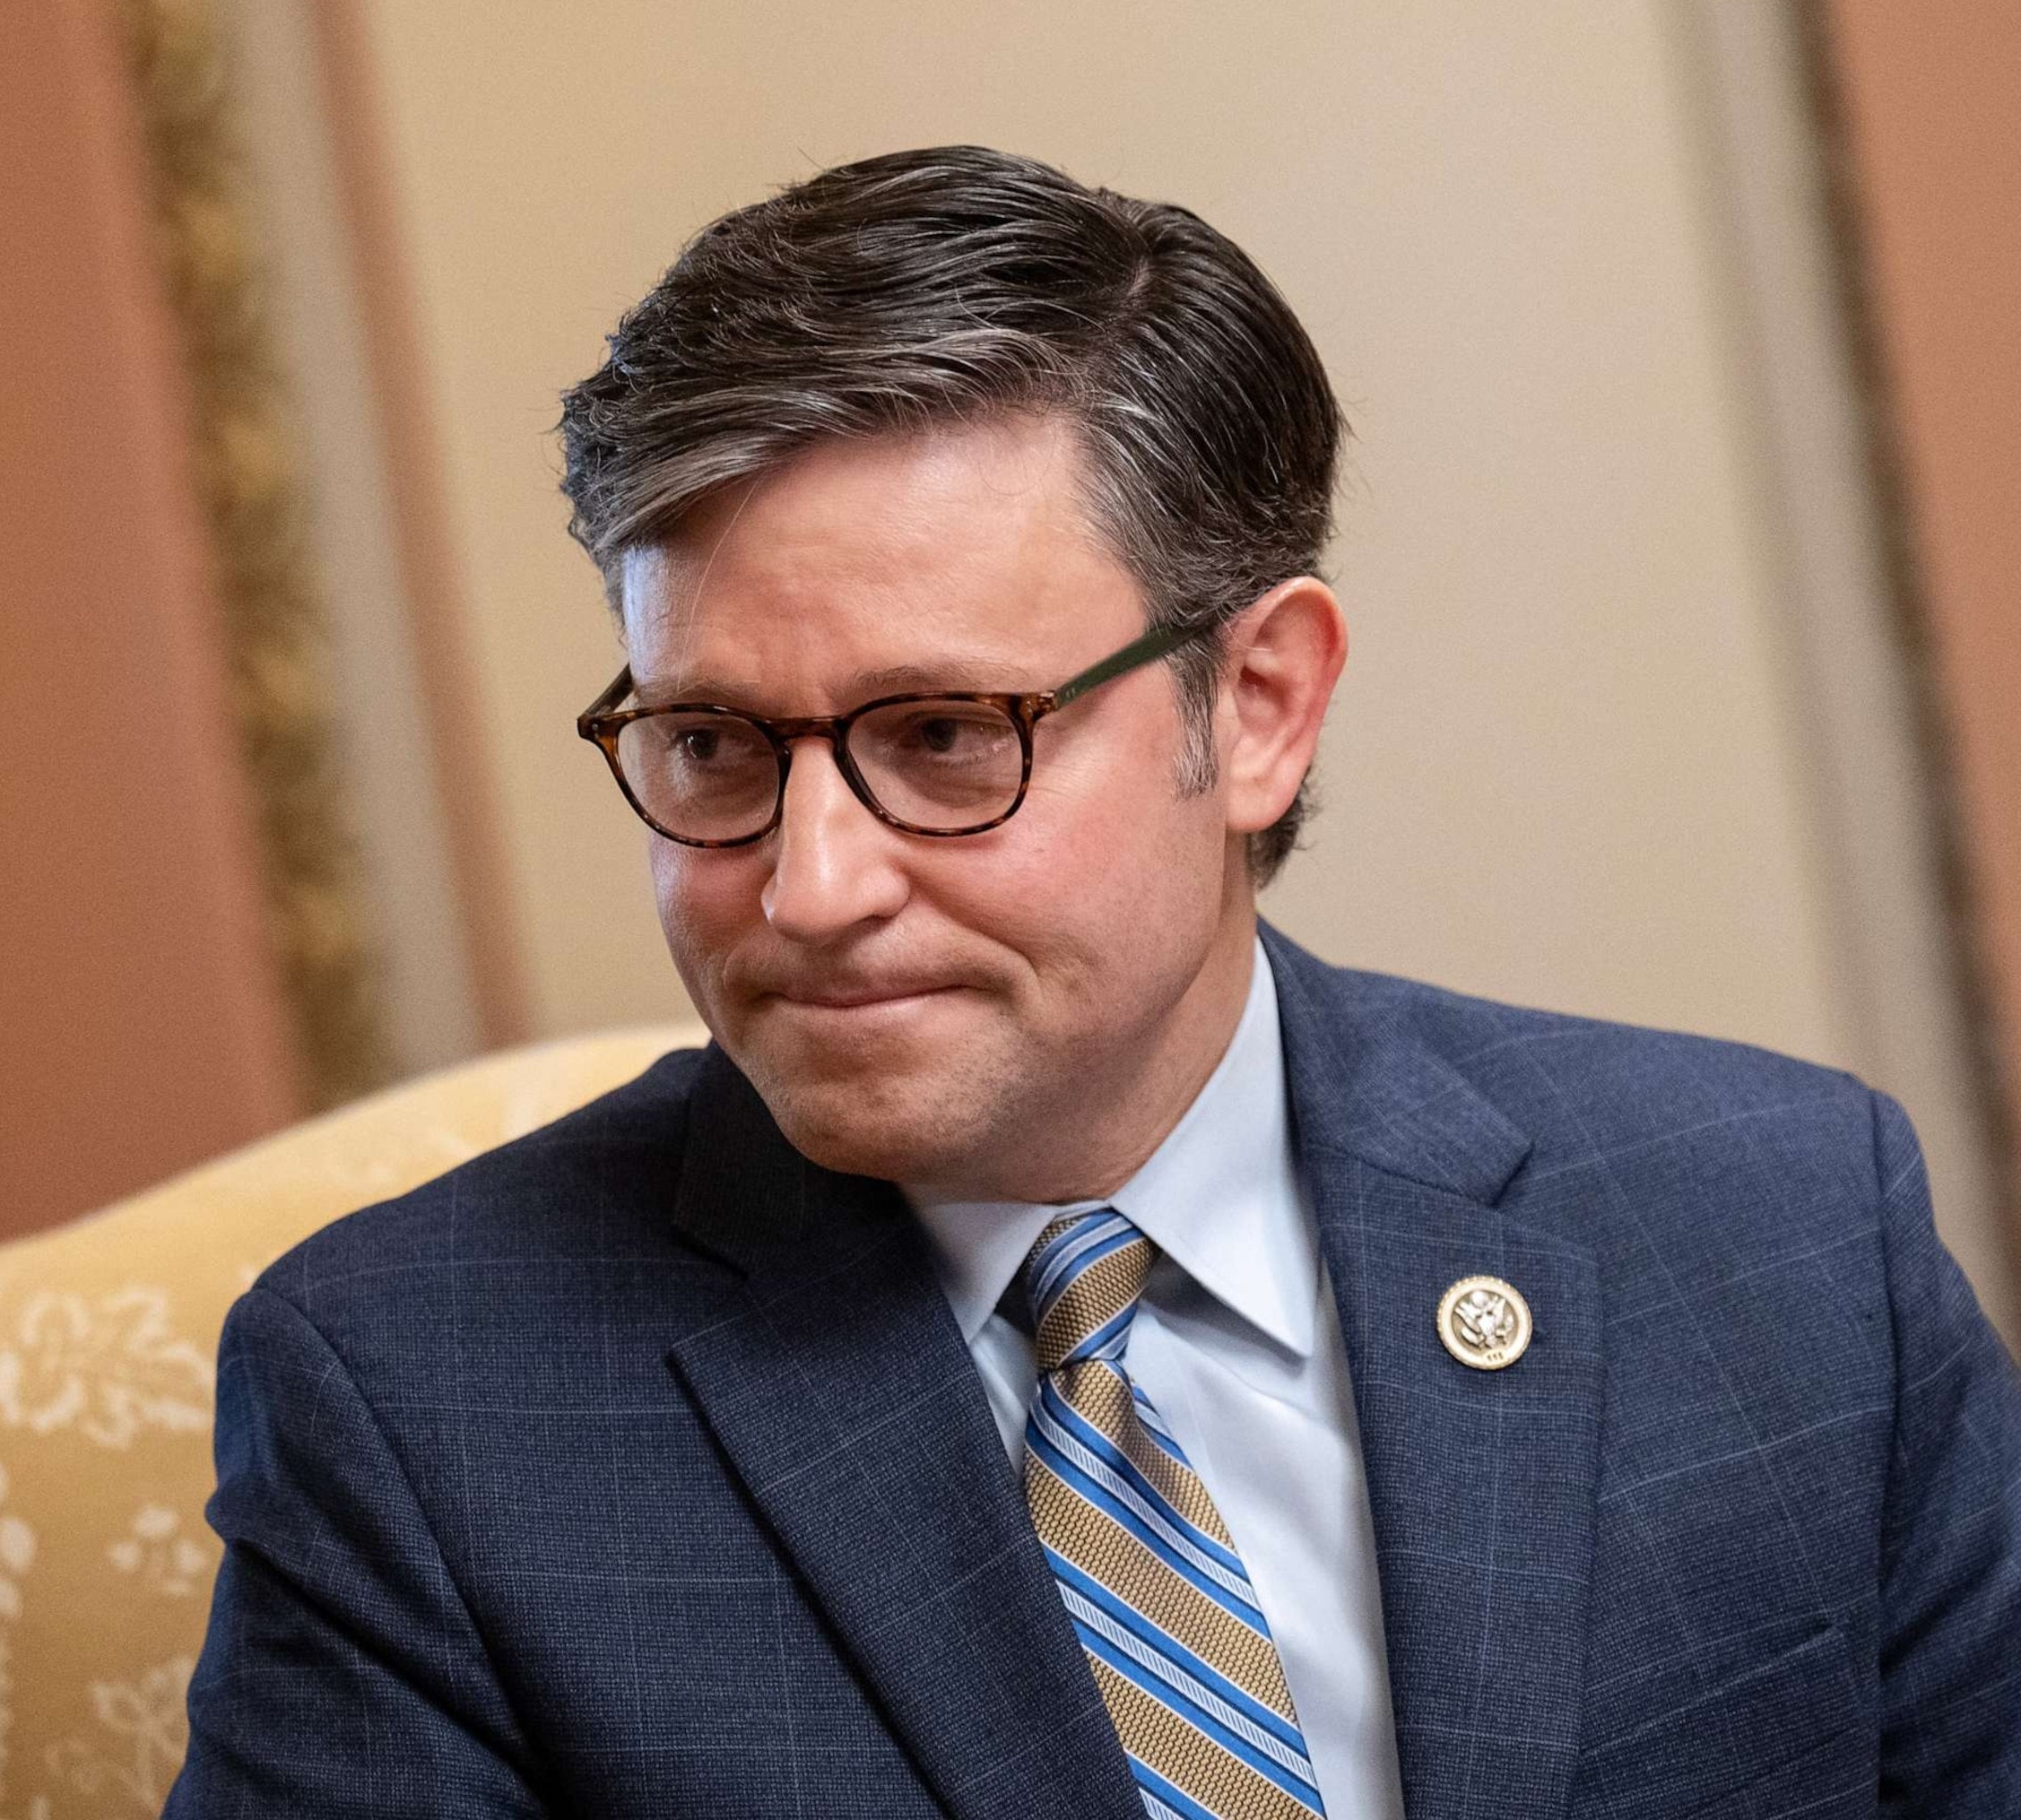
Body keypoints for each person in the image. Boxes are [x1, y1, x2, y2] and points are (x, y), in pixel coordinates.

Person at [169, 146, 2021, 1819]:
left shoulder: (1780, 1232)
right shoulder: (422, 1402)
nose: (808, 889)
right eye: (716, 744)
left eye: (946, 734)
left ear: (1266, 705)